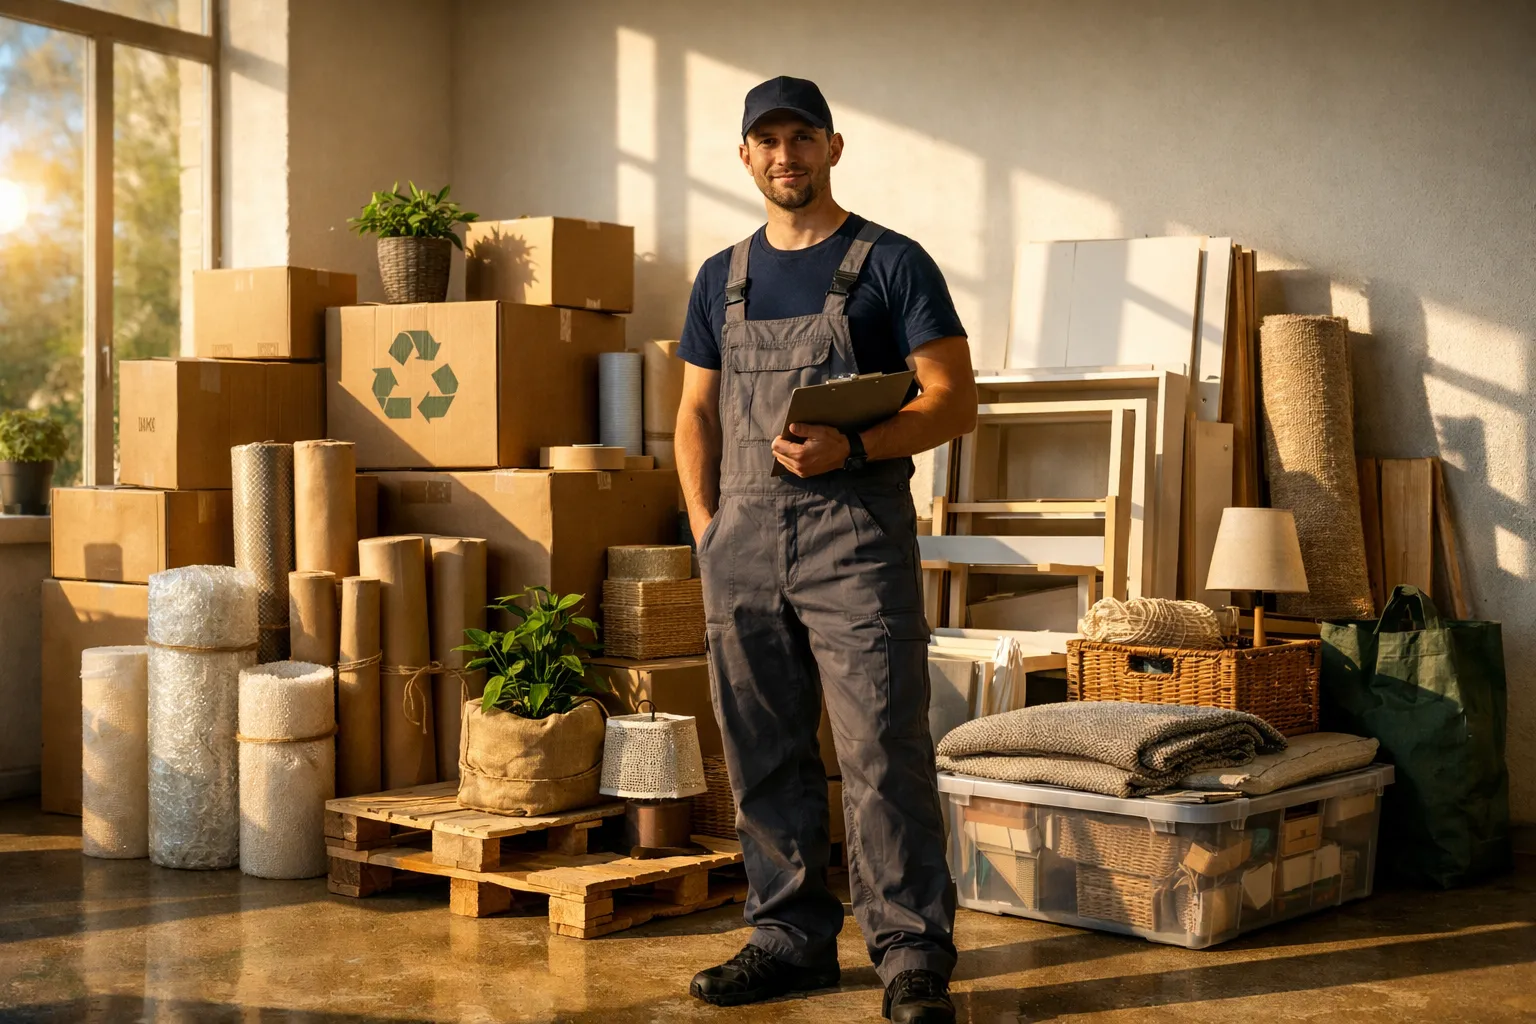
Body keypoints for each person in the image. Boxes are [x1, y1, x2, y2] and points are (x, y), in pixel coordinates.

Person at [675, 75, 978, 1024]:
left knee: (882, 748)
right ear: (745, 157)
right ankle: (788, 939)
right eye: (766, 140)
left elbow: (954, 400)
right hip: (744, 542)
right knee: (761, 748)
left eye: (801, 137)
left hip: (854, 538)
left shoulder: (892, 263)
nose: (784, 156)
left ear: (833, 148)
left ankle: (911, 959)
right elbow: (691, 412)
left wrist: (854, 445)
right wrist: (707, 526)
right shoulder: (720, 277)